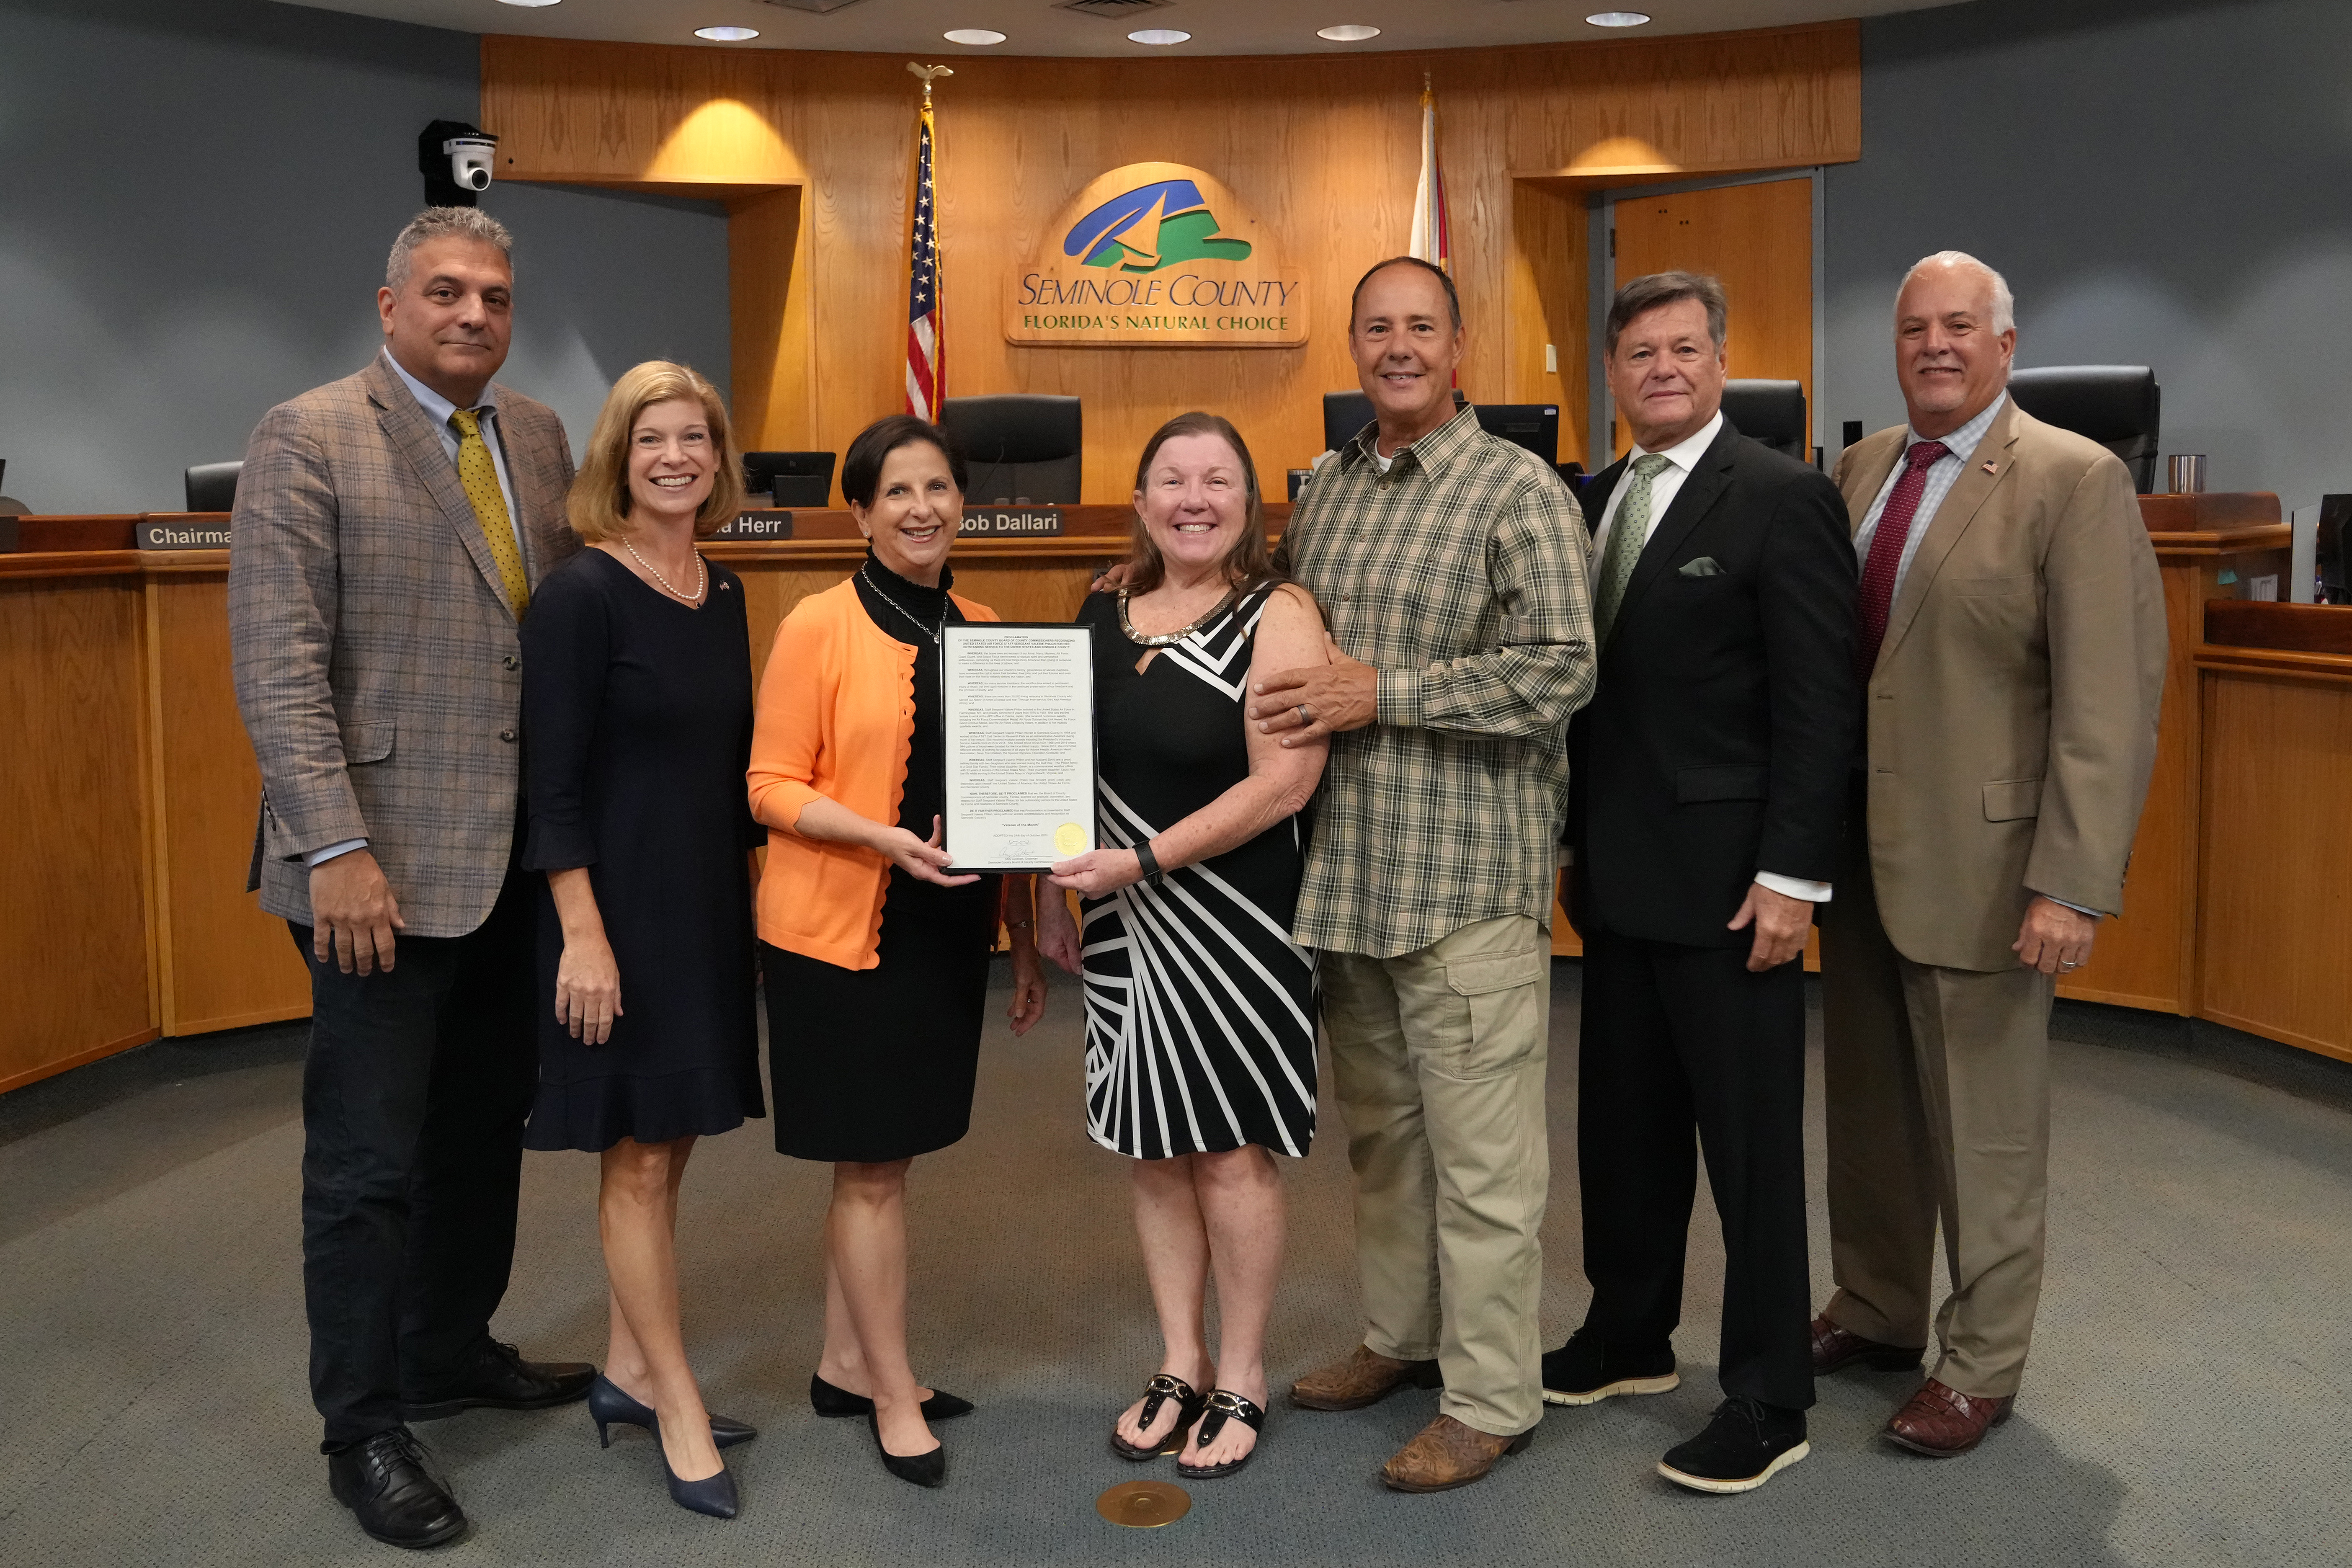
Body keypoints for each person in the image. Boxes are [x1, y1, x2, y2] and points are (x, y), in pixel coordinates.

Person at [227, 207, 593, 1550]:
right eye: (444, 293)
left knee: (482, 1125)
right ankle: (364, 1426)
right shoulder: (308, 434)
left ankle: (448, 1346)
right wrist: (335, 848)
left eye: (494, 297)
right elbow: (277, 667)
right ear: (388, 307)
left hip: (506, 867)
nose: (473, 316)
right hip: (369, 875)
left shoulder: (542, 439)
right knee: (368, 1164)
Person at [1249, 257, 1597, 1493]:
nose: (1398, 348)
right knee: (1387, 1147)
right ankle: (1399, 1340)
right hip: (1351, 880)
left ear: (1460, 346)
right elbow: (1278, 632)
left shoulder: (1521, 492)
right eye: (1377, 329)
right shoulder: (1326, 489)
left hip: (1465, 884)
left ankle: (1493, 1396)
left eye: (1421, 328)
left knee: (1487, 1164)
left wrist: (1383, 692)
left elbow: (1562, 668)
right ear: (1354, 345)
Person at [1812, 251, 2166, 1456]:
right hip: (1859, 856)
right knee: (1869, 1109)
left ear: (2006, 346)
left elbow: (2110, 701)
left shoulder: (2074, 478)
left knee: (1986, 1127)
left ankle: (1983, 1359)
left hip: (1992, 865)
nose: (1935, 347)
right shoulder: (1861, 470)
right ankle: (1876, 1304)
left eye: (1960, 327)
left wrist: (2072, 877)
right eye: (1915, 329)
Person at [1539, 272, 1857, 1494]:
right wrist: (1570, 850)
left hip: (1737, 895)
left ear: (1720, 362)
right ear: (1612, 374)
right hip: (1615, 884)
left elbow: (1820, 709)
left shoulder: (1785, 499)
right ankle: (1629, 1334)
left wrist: (1792, 879)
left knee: (1751, 1154)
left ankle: (1772, 1395)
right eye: (1639, 352)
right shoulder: (1594, 499)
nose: (1661, 368)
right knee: (1622, 1136)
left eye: (1684, 348)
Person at [747, 413, 1050, 1489]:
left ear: (963, 498)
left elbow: (1011, 801)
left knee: (889, 1160)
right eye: (897, 494)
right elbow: (769, 787)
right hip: (840, 933)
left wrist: (1018, 937)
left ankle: (842, 1361)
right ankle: (888, 1388)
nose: (922, 509)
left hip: (943, 931)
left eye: (939, 488)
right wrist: (879, 839)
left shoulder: (984, 621)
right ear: (864, 513)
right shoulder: (818, 625)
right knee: (869, 1168)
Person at [1036, 412, 1331, 1481]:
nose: (1193, 499)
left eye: (1217, 480)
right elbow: (1058, 762)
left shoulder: (1280, 611)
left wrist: (1144, 861)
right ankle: (1179, 1360)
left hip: (1235, 919)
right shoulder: (1104, 606)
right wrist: (1049, 888)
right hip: (1120, 921)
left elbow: (1285, 782)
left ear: (1248, 503)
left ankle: (1243, 1374)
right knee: (1153, 1146)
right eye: (1172, 479)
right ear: (1143, 497)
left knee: (1230, 1150)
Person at [519, 361, 767, 1519]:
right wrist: (582, 934)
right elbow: (550, 784)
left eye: (696, 440)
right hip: (612, 917)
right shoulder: (580, 596)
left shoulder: (722, 593)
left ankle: (624, 1369)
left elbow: (732, 770)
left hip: (706, 907)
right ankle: (671, 1397)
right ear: (617, 459)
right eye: (653, 440)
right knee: (638, 1152)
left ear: (719, 460)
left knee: (672, 1145)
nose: (677, 457)